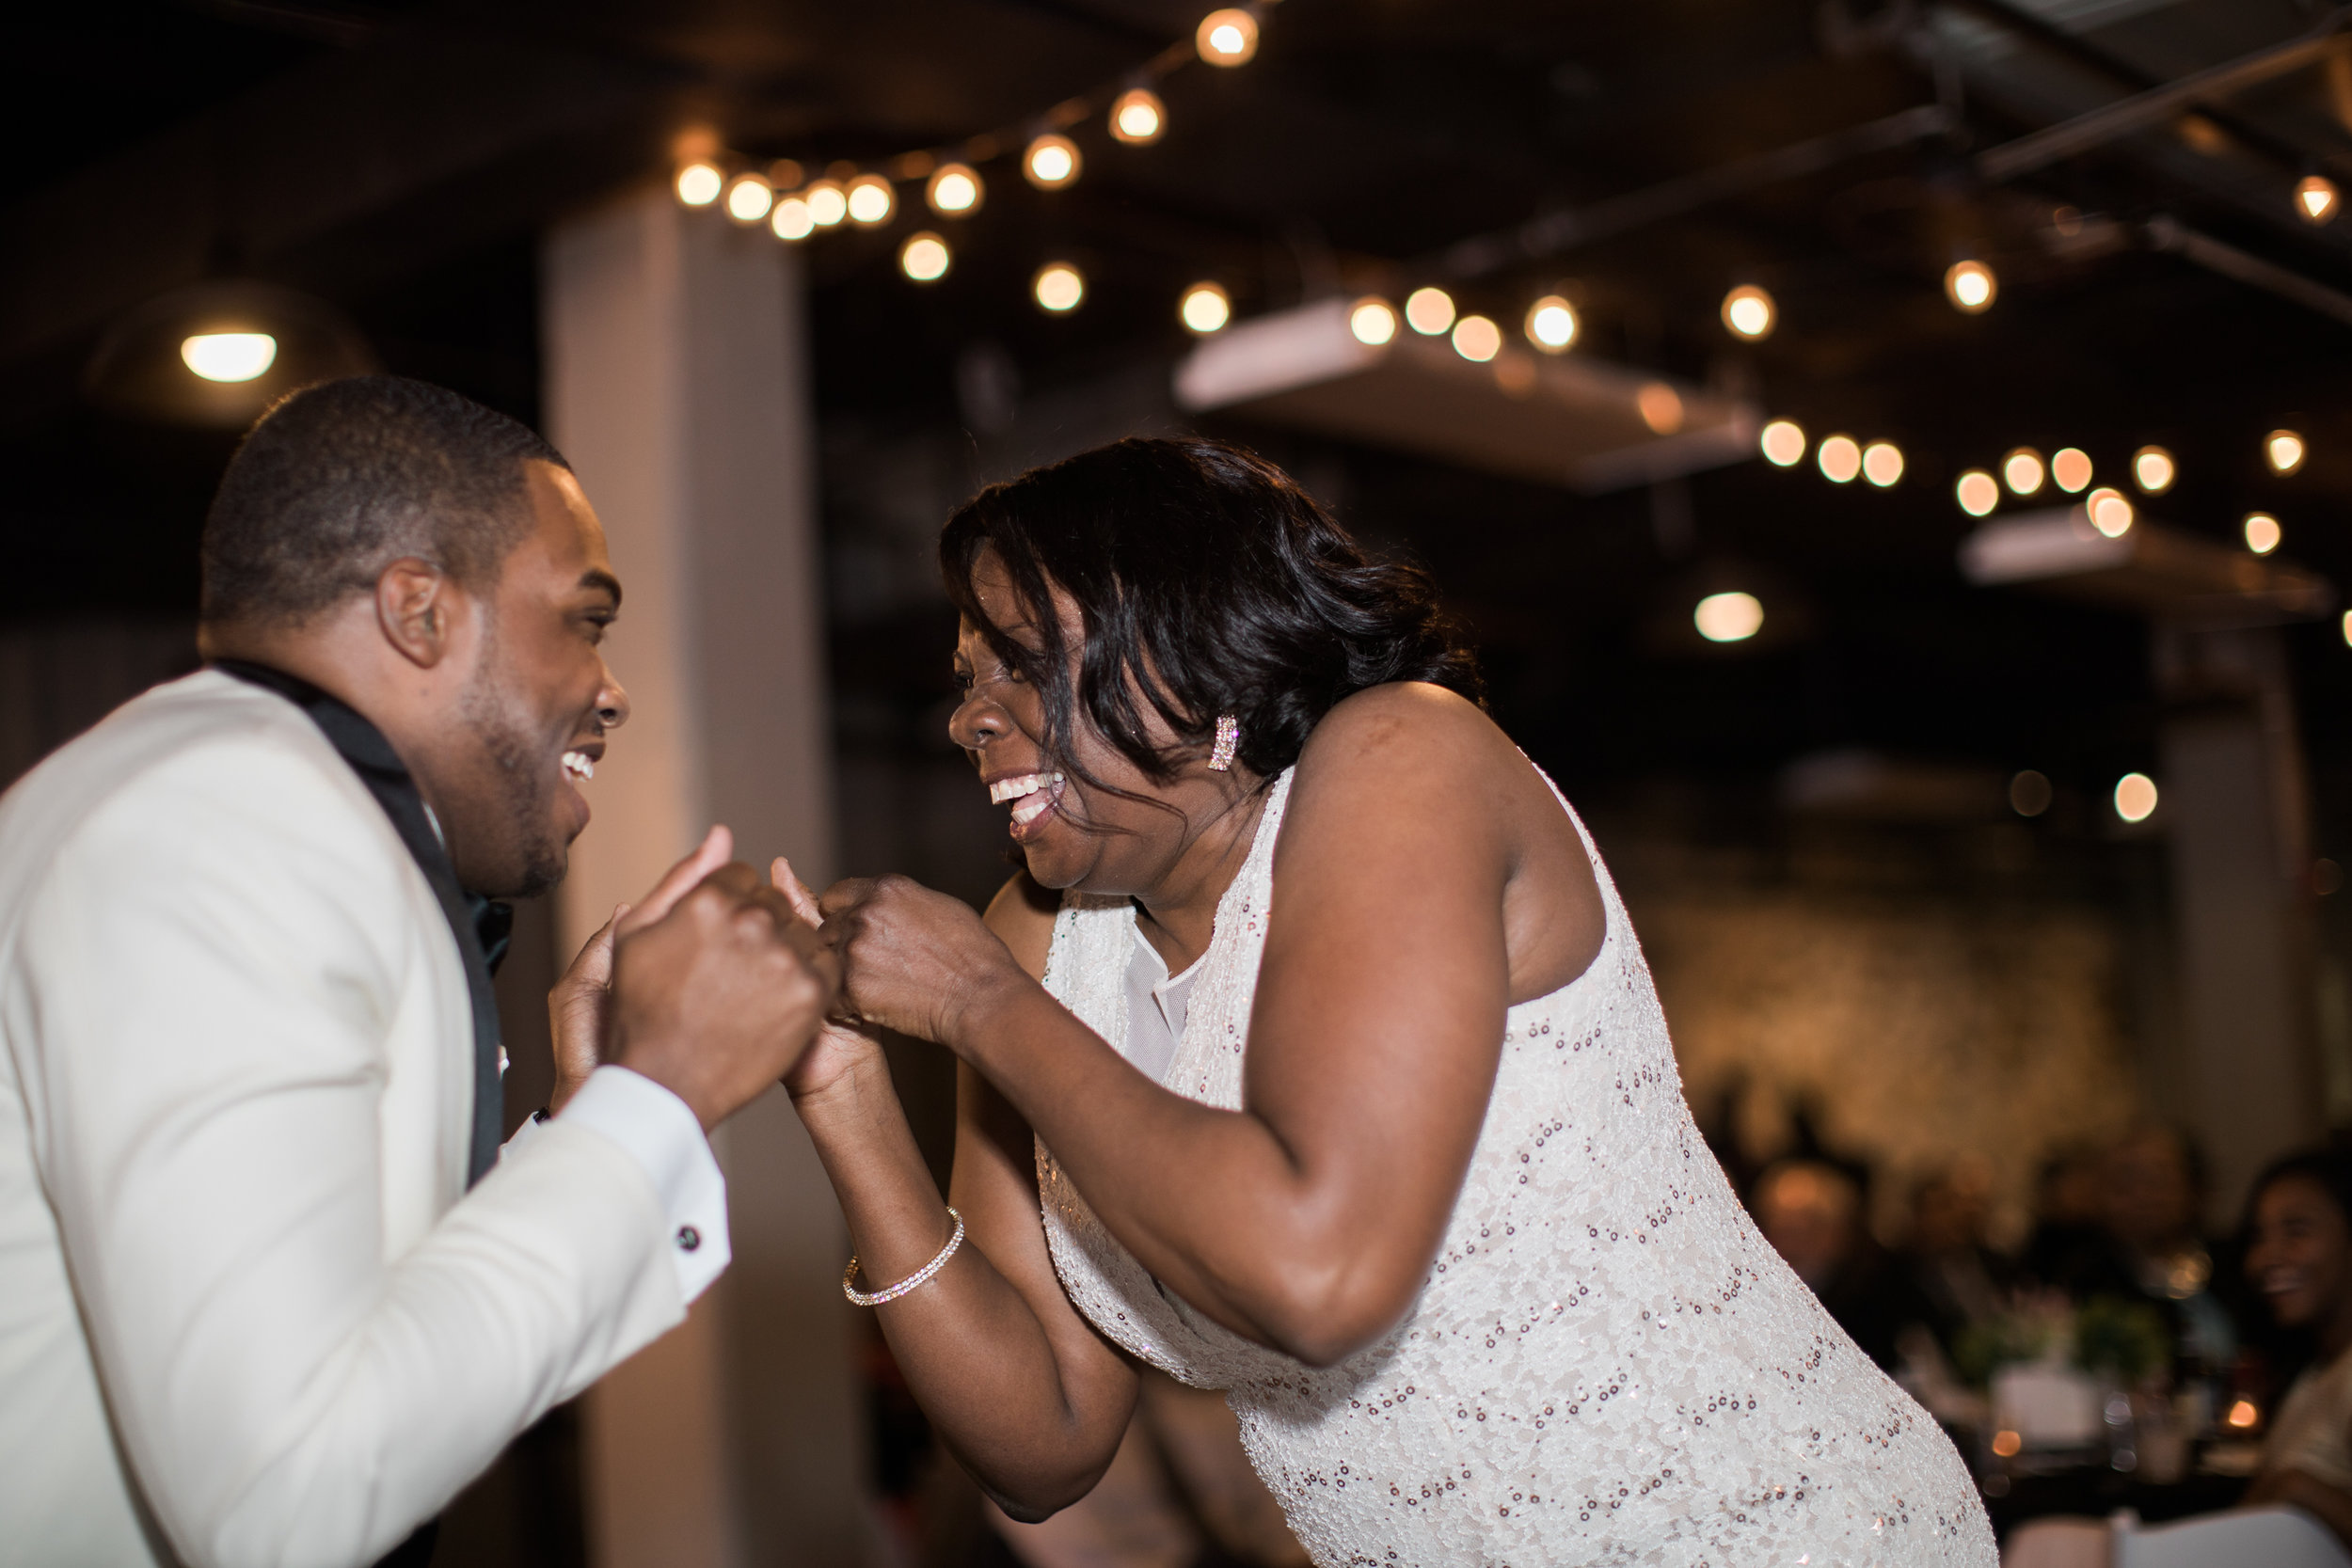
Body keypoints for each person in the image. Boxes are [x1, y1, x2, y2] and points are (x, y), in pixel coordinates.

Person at [781, 439, 1995, 1565]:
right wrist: (846, 1096)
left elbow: (1322, 1269)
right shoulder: (1042, 950)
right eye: (965, 674)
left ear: (1193, 635)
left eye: (1020, 660)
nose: (966, 714)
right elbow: (1040, 1441)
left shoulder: (1400, 761)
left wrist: (980, 1006)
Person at [0, 376, 838, 1567]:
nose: (612, 687)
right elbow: (282, 1501)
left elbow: (372, 1355)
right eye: (586, 618)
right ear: (419, 612)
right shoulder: (227, 822)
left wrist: (587, 1114)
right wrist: (662, 1092)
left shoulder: (235, 791)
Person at [2242, 1148, 2352, 1549]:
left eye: (2297, 1230)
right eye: (2258, 1236)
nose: (2266, 1257)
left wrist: (2301, 1490)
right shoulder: (2314, 1374)